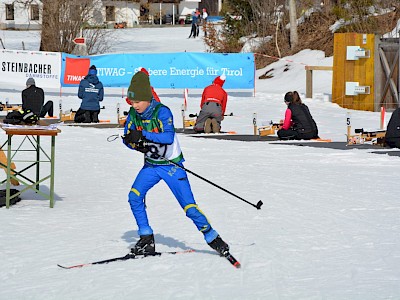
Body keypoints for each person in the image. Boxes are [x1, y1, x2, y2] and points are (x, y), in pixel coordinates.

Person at [122, 70, 230, 257]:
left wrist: (144, 136)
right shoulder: (133, 113)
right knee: (134, 197)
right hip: (151, 165)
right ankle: (146, 237)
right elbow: (128, 137)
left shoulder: (162, 111)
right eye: (132, 102)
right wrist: (133, 143)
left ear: (147, 98)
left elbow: (168, 137)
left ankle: (213, 238)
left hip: (172, 166)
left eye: (138, 101)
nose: (135, 105)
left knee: (189, 207)